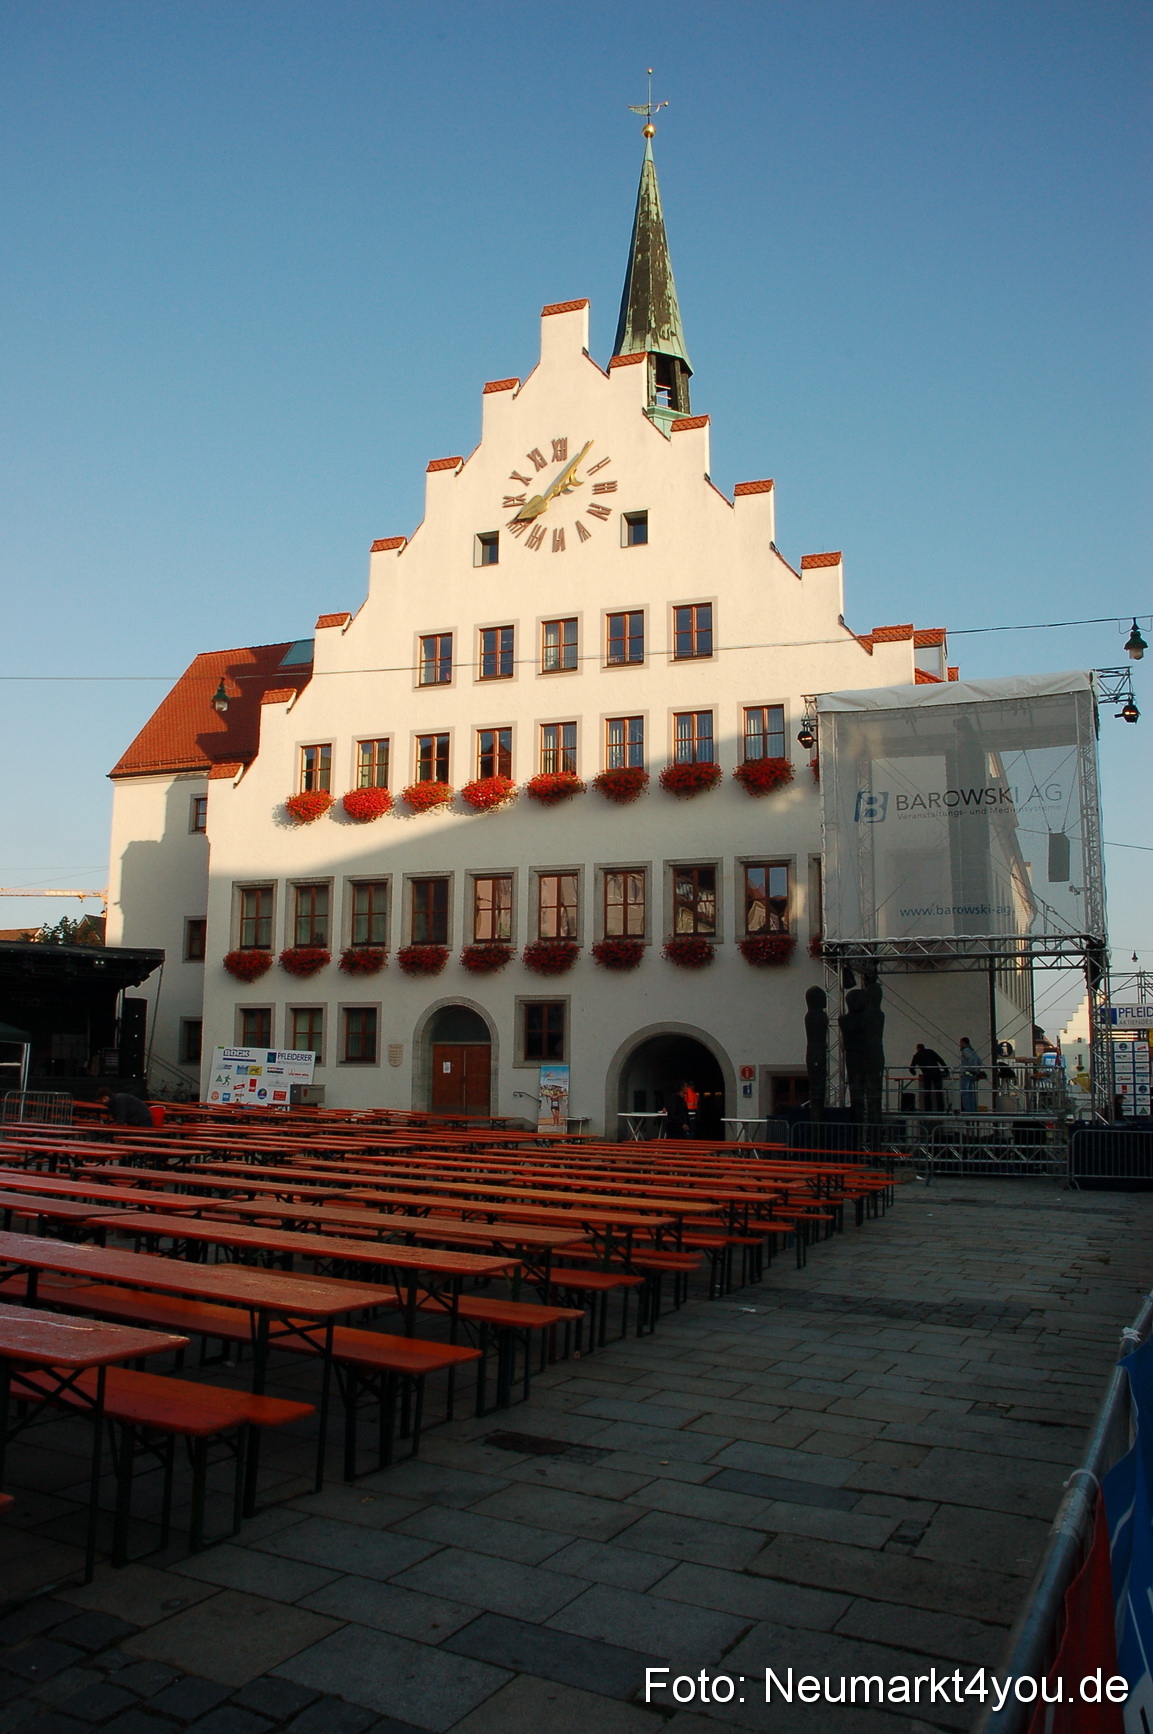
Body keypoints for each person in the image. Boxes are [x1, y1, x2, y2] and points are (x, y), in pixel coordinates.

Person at [909, 1043, 949, 1113]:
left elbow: (911, 1068)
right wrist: (946, 1071)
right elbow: (940, 1060)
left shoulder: (917, 1055)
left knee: (927, 1092)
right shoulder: (931, 1051)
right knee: (938, 1091)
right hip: (936, 1073)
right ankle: (941, 1109)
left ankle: (928, 1109)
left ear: (917, 1048)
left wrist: (914, 1073)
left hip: (927, 1074)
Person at [958, 1037, 984, 1112]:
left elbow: (971, 1059)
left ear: (963, 1042)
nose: (960, 1044)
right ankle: (973, 1109)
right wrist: (976, 1070)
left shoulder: (965, 1050)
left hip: (966, 1073)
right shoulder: (972, 1051)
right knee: (971, 1092)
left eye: (960, 1042)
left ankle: (967, 1109)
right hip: (973, 1073)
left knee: (964, 1092)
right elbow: (980, 1061)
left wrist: (968, 1068)